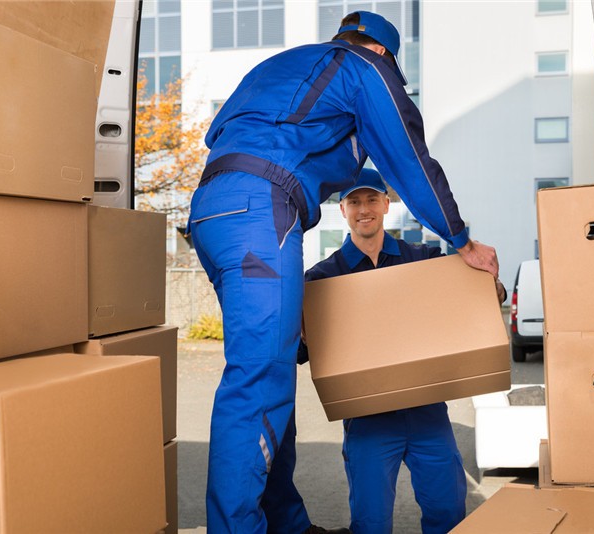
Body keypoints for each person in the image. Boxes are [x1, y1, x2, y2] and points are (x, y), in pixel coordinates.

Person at [186, 10, 500, 534]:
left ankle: (286, 523)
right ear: (384, 54)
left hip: (213, 212)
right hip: (262, 208)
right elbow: (408, 156)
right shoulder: (362, 67)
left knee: (270, 367)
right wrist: (460, 238)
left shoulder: (284, 66)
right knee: (258, 379)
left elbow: (224, 137)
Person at [299, 169, 506, 533]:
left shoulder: (422, 259)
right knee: (371, 523)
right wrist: (299, 330)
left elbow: (468, 297)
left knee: (448, 513)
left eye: (372, 200)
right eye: (355, 202)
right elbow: (302, 352)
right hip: (368, 421)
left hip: (428, 413)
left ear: (386, 204)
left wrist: (493, 288)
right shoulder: (321, 280)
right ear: (343, 209)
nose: (364, 209)